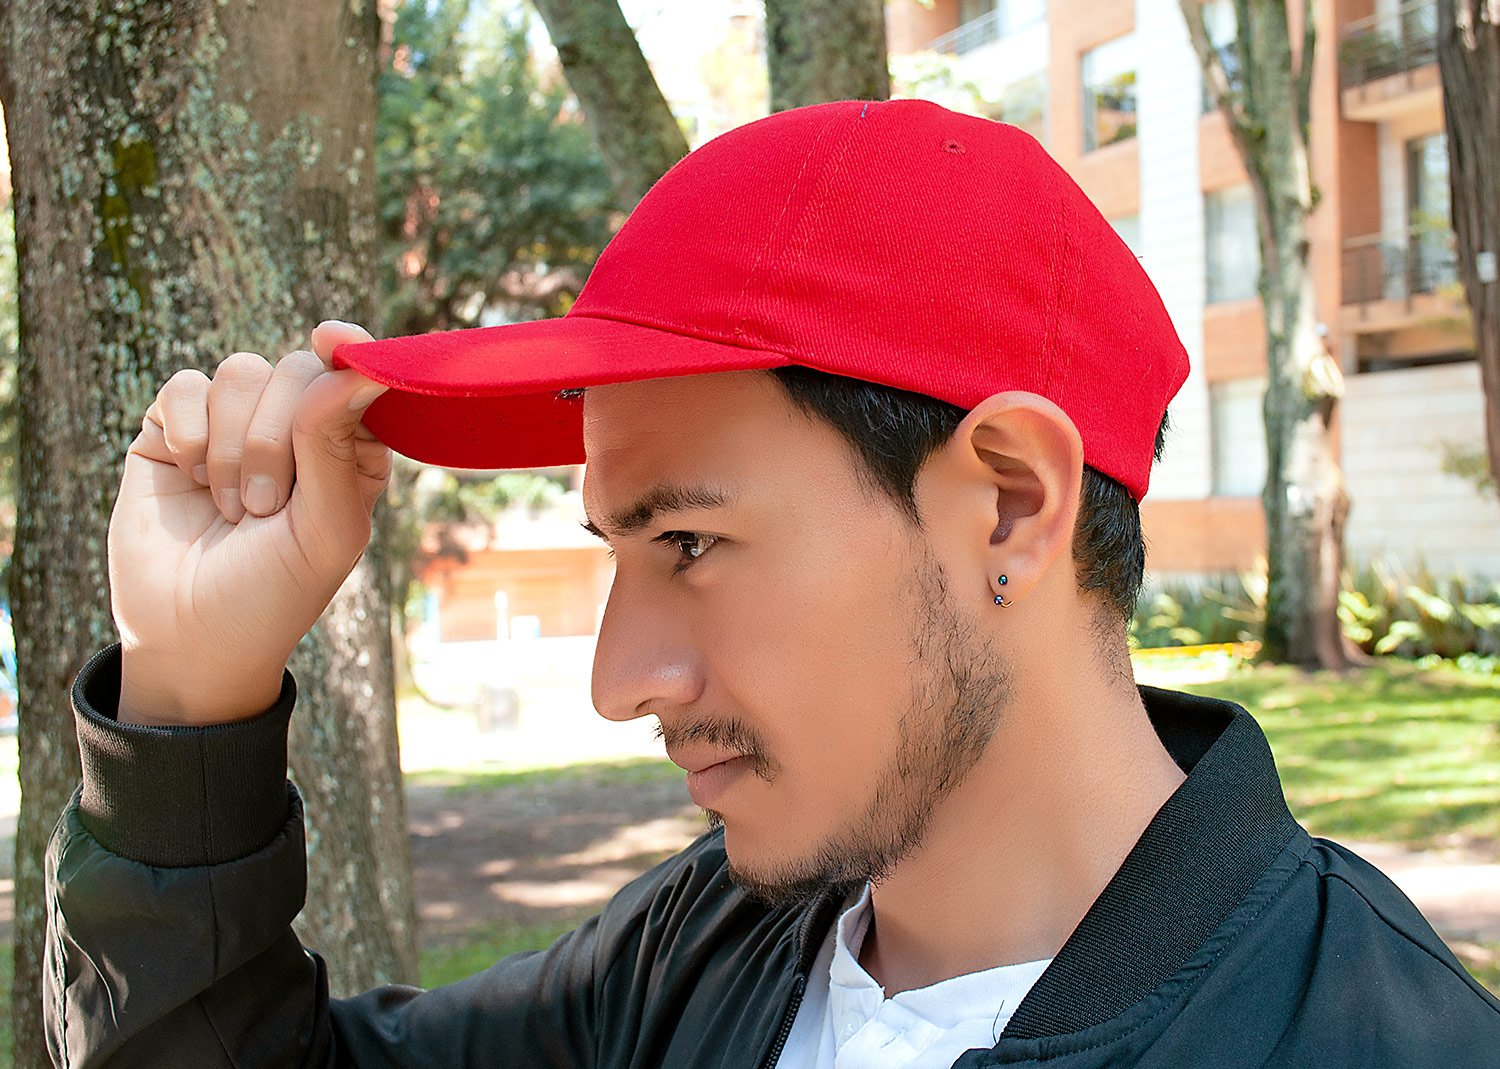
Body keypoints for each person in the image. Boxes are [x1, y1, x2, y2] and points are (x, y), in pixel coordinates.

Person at [45, 98, 1497, 1068]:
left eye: (689, 543)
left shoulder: (1374, 1039)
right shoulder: (697, 958)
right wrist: (187, 684)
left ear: (1012, 501)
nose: (619, 681)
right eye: (620, 551)